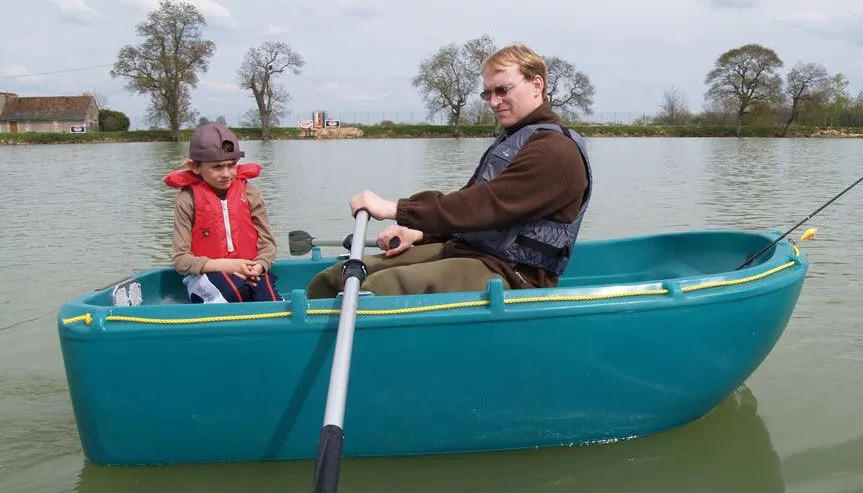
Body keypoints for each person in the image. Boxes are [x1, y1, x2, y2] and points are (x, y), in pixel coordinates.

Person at [307, 43, 593, 298]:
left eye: (502, 90)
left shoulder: (554, 152)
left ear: (536, 84)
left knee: (375, 289)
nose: (494, 102)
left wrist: (398, 209)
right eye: (488, 93)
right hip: (468, 251)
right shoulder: (516, 139)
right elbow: (469, 201)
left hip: (512, 273)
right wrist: (421, 234)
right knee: (337, 277)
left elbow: (482, 206)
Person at [164, 123, 280, 303]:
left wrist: (259, 266)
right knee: (233, 292)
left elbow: (268, 245)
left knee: (269, 300)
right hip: (205, 277)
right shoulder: (187, 200)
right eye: (217, 167)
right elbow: (181, 260)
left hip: (250, 272)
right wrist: (229, 265)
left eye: (232, 165)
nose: (226, 173)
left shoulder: (251, 194)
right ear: (194, 166)